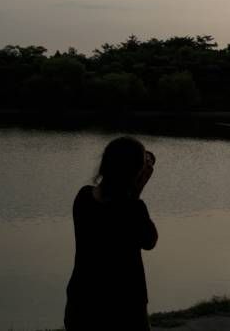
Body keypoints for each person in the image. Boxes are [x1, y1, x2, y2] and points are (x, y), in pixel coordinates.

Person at [64, 136, 158, 330]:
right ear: (135, 173)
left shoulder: (83, 197)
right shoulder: (133, 208)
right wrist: (136, 194)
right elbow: (149, 241)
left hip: (82, 299)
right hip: (125, 306)